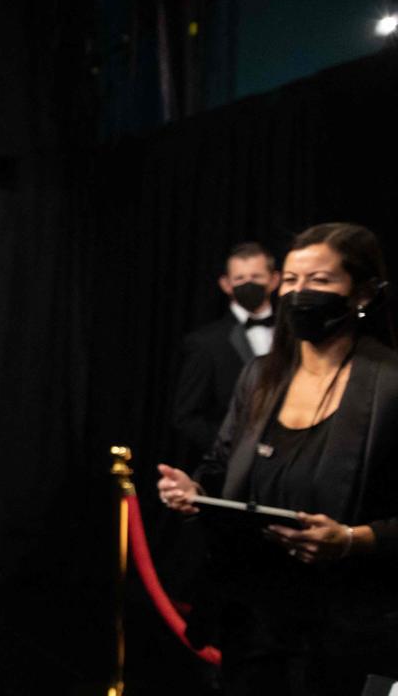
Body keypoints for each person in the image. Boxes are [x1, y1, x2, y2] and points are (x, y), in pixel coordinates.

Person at [157, 223, 398, 694]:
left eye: (320, 281)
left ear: (363, 292)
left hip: (347, 624)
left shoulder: (389, 385)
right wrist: (195, 492)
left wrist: (353, 539)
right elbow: (220, 466)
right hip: (253, 620)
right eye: (290, 280)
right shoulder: (260, 376)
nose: (299, 293)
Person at [171, 242, 280, 470]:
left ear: (274, 279)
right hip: (231, 468)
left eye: (256, 276)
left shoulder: (295, 336)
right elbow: (187, 416)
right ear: (226, 284)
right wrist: (232, 450)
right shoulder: (205, 342)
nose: (248, 284)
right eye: (239, 279)